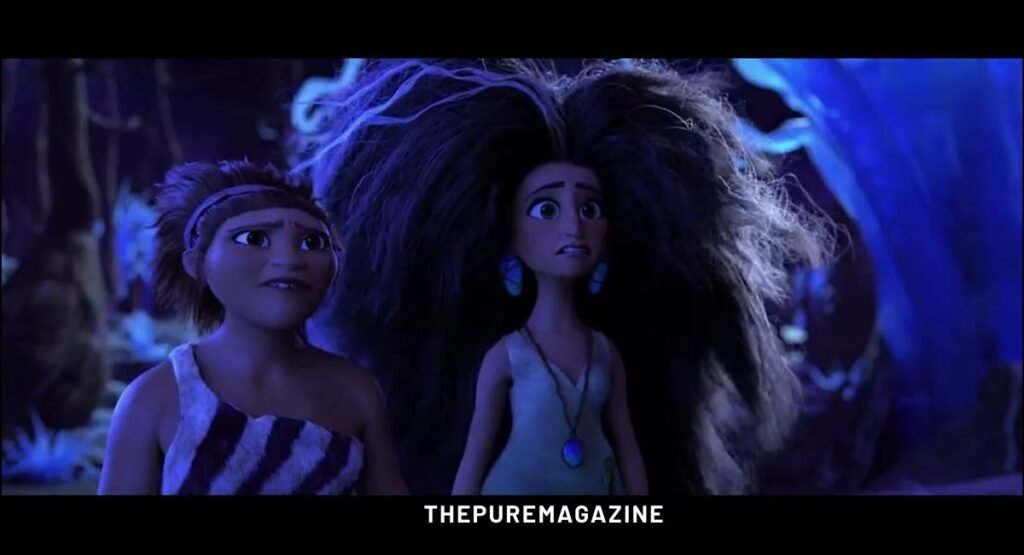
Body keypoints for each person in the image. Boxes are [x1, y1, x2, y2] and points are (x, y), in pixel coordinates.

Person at [293, 59, 832, 495]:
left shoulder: (609, 353)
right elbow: (476, 453)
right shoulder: (502, 357)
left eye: (590, 208)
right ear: (504, 234)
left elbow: (628, 441)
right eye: (546, 210)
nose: (573, 226)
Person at [97, 160, 407, 495]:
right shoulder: (154, 397)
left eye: (312, 242)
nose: (290, 259)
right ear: (197, 263)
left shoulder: (356, 390)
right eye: (254, 238)